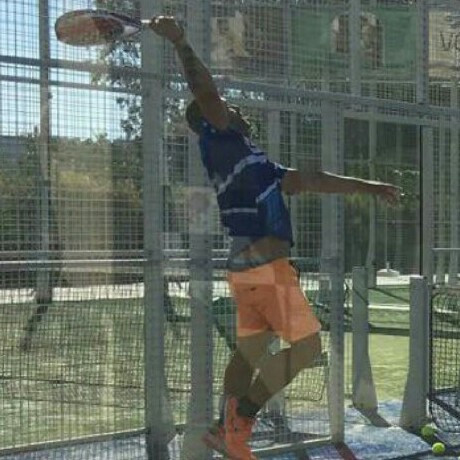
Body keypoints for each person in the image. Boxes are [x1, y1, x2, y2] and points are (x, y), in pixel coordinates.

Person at [150, 16, 401, 460]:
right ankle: (240, 423)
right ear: (212, 117)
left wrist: (369, 186)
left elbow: (311, 179)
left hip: (248, 270)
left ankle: (222, 430)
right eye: (227, 105)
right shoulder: (221, 136)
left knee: (249, 351)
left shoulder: (255, 160)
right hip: (265, 268)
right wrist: (181, 42)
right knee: (306, 348)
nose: (234, 108)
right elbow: (205, 92)